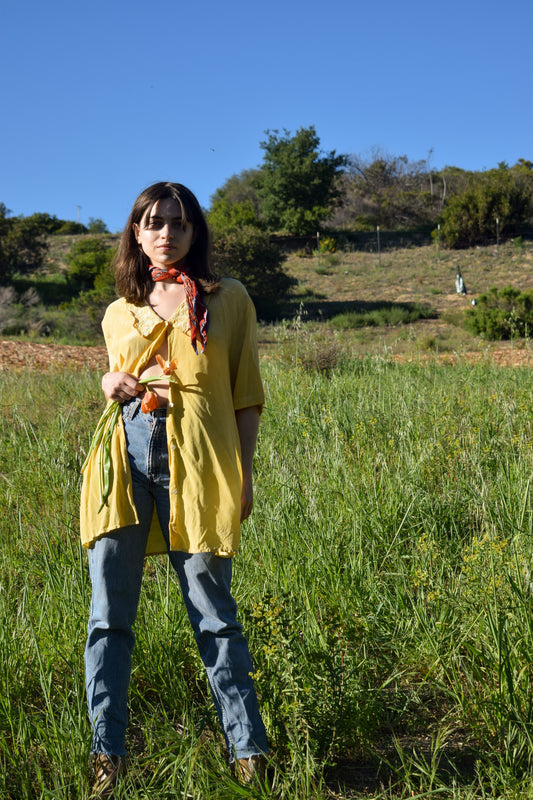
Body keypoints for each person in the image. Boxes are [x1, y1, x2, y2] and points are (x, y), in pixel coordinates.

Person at [80, 182, 269, 797]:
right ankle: (106, 759)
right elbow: (118, 381)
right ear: (137, 233)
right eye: (155, 223)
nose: (167, 233)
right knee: (108, 619)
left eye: (180, 223)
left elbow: (245, 396)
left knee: (214, 616)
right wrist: (109, 382)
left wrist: (242, 474)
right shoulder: (119, 311)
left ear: (195, 233)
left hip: (200, 466)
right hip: (123, 467)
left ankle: (249, 754)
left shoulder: (227, 299)